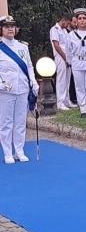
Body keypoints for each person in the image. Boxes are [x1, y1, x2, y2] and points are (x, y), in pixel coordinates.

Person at [0, 15, 39, 164]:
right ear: (1, 29)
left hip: (22, 88)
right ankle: (8, 152)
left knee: (20, 121)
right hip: (6, 91)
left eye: (12, 26)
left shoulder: (23, 47)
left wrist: (33, 82)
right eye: (6, 26)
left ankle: (19, 150)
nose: (10, 29)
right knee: (6, 122)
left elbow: (29, 66)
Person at [50, 12, 76, 110]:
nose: (67, 25)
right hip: (60, 57)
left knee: (67, 80)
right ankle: (60, 102)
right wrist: (65, 58)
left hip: (67, 57)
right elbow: (56, 46)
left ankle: (66, 100)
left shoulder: (64, 31)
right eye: (67, 23)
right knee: (61, 80)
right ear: (63, 20)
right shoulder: (54, 29)